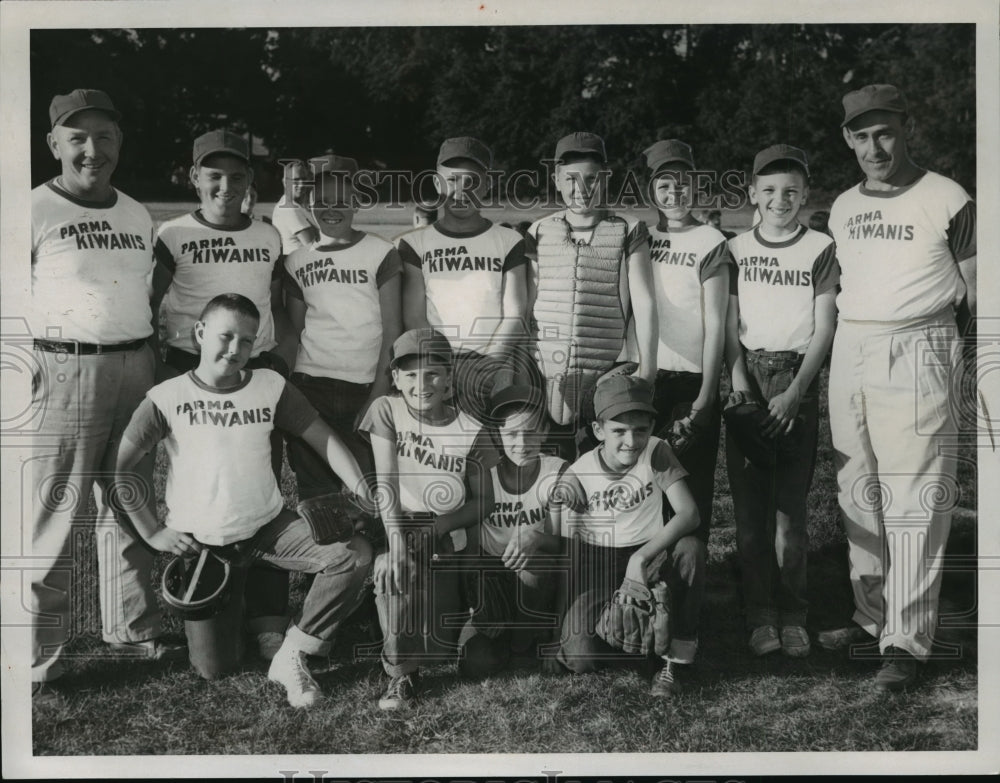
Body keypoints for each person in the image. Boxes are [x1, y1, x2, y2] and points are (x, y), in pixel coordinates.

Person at [114, 294, 374, 709]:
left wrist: (361, 486)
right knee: (215, 668)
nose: (235, 349)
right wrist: (152, 531)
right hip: (204, 544)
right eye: (225, 336)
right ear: (200, 333)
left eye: (247, 341)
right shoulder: (166, 395)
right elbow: (121, 467)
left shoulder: (270, 386)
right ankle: (254, 618)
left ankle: (293, 653)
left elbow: (321, 437)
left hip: (269, 529)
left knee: (354, 556)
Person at [30, 88, 184, 707]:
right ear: (55, 145)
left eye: (105, 137)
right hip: (62, 368)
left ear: (120, 143)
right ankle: (38, 658)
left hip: (134, 362)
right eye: (78, 138)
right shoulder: (33, 209)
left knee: (131, 494)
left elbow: (143, 295)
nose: (92, 150)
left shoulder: (134, 212)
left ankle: (132, 630)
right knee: (55, 511)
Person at [821, 84, 976, 692]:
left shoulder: (947, 197)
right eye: (861, 136)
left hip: (919, 344)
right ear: (848, 140)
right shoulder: (840, 206)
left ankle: (907, 641)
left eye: (884, 132)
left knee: (914, 496)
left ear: (906, 129)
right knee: (856, 489)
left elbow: (978, 290)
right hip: (852, 346)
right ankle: (871, 616)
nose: (874, 147)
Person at [151, 129, 293, 660]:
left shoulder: (269, 236)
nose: (225, 186)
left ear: (251, 181)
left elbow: (278, 302)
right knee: (200, 489)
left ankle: (266, 616)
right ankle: (206, 596)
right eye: (214, 175)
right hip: (192, 369)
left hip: (253, 370)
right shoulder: (172, 233)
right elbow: (150, 304)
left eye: (237, 176)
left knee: (261, 488)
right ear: (194, 178)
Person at [724, 144, 839, 658]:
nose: (779, 199)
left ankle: (794, 613)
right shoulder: (736, 248)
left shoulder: (820, 246)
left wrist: (796, 391)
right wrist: (738, 379)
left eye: (791, 191)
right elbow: (727, 324)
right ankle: (759, 615)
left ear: (806, 195)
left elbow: (825, 325)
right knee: (750, 515)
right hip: (749, 374)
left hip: (796, 379)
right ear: (752, 194)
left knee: (790, 514)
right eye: (768, 190)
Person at [358, 328, 497, 710]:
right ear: (396, 378)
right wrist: (396, 545)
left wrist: (440, 526)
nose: (422, 384)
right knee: (393, 572)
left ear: (450, 378)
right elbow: (385, 483)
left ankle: (414, 634)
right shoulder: (386, 409)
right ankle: (401, 675)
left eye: (433, 373)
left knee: (440, 651)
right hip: (396, 523)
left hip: (444, 530)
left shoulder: (471, 429)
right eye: (411, 374)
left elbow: (486, 500)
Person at [556, 375, 703, 697]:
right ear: (598, 431)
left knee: (690, 550)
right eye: (618, 430)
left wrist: (640, 559)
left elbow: (689, 514)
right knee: (579, 657)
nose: (631, 440)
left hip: (648, 555)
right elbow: (570, 547)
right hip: (598, 559)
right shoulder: (580, 472)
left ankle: (671, 660)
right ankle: (637, 640)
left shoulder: (656, 450)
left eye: (641, 429)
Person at [641, 139, 731, 657]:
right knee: (643, 495)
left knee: (687, 500)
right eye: (664, 182)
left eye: (683, 181)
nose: (674, 191)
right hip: (644, 378)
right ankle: (643, 604)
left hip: (690, 382)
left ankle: (685, 618)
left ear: (697, 185)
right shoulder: (640, 235)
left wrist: (705, 395)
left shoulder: (710, 239)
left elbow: (717, 324)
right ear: (651, 188)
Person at [525, 132, 658, 459]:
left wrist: (648, 371)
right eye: (570, 179)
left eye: (591, 179)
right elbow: (527, 305)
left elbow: (645, 302)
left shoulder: (629, 228)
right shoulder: (538, 230)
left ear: (605, 179)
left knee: (605, 478)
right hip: (549, 375)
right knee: (552, 479)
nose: (581, 189)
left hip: (607, 370)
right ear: (556, 180)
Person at [283, 154, 403, 500]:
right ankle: (328, 552)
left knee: (374, 486)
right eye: (321, 201)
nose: (331, 209)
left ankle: (377, 547)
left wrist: (380, 391)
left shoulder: (380, 253)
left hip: (365, 383)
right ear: (306, 203)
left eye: (341, 201)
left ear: (357, 202)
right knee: (316, 491)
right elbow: (295, 329)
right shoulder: (296, 261)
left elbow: (393, 328)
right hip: (311, 385)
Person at [397, 137, 529, 422]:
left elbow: (516, 313)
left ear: (487, 185)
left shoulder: (509, 241)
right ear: (436, 183)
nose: (461, 191)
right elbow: (414, 317)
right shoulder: (414, 243)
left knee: (488, 456)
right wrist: (444, 368)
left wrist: (490, 365)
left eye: (472, 182)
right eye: (452, 181)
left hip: (494, 364)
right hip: (435, 367)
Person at [458, 384, 569, 677]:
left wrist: (535, 536)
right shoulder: (484, 476)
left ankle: (523, 645)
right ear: (496, 435)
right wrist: (475, 599)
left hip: (536, 577)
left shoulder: (556, 472)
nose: (523, 442)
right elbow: (470, 550)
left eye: (532, 431)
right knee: (476, 665)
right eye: (511, 434)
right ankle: (509, 633)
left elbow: (563, 546)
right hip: (494, 577)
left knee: (535, 564)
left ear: (545, 431)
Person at [271, 159, 320, 255]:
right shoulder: (289, 209)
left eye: (304, 179)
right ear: (285, 182)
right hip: (299, 266)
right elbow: (314, 247)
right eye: (296, 180)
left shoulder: (292, 205)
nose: (301, 185)